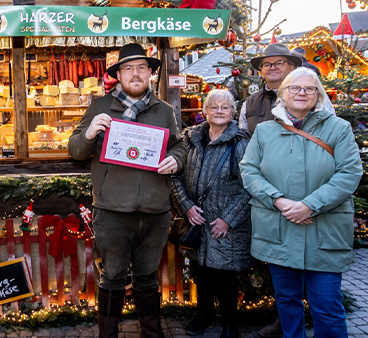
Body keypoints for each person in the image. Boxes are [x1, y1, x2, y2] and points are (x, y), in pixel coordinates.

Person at [69, 43, 187, 338]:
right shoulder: (100, 107)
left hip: (155, 211)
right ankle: (108, 334)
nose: (135, 74)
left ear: (150, 73)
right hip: (112, 211)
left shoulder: (164, 111)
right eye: (128, 68)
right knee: (113, 276)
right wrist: (89, 131)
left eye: (141, 68)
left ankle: (152, 332)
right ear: (118, 75)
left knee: (147, 277)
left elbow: (179, 145)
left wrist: (176, 158)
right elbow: (76, 150)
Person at [240, 67, 363, 338]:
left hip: (324, 233)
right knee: (286, 302)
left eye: (309, 88)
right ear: (282, 94)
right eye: (294, 88)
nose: (301, 93)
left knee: (327, 306)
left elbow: (350, 173)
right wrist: (279, 201)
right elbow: (249, 171)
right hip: (279, 229)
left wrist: (309, 205)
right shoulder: (264, 132)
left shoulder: (338, 129)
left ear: (318, 94)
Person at [238, 43, 326, 338]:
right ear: (260, 71)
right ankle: (283, 319)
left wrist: (308, 201)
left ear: (291, 66)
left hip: (307, 198)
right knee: (275, 262)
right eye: (267, 64)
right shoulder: (249, 103)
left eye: (279, 63)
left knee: (308, 265)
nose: (272, 68)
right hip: (266, 195)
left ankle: (304, 315)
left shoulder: (315, 99)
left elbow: (330, 142)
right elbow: (241, 145)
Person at [171, 89, 251, 338]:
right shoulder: (190, 139)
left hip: (225, 222)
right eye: (214, 106)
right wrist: (186, 206)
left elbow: (251, 186)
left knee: (226, 276)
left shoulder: (241, 143)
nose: (219, 111)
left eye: (225, 107)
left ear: (233, 111)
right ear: (204, 111)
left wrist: (229, 219)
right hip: (197, 220)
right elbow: (174, 175)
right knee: (201, 273)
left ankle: (230, 324)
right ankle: (202, 316)